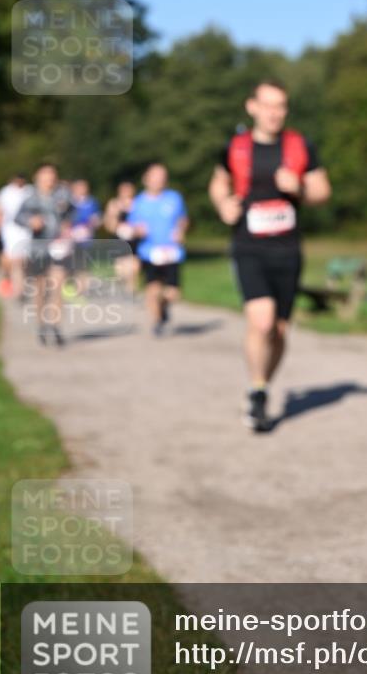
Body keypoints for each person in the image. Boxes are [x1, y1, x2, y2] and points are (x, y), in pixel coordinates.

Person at [209, 79, 331, 430]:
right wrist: (223, 205)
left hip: (288, 248)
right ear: (252, 107)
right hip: (249, 245)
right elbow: (218, 183)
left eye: (280, 106)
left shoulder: (300, 146)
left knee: (278, 331)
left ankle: (258, 386)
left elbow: (323, 190)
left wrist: (302, 187)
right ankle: (260, 392)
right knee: (261, 321)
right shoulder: (234, 147)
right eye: (268, 105)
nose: (274, 112)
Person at [15, 164, 75, 346]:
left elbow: (73, 212)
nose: (49, 179)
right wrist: (31, 221)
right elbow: (18, 217)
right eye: (45, 175)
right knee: (40, 289)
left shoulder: (63, 194)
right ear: (37, 177)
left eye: (52, 175)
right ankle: (42, 325)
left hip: (58, 247)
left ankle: (56, 327)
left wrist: (67, 225)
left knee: (57, 286)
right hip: (38, 249)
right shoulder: (31, 197)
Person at [126, 164, 188, 335]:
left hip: (172, 252)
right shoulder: (139, 202)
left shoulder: (174, 198)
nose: (159, 180)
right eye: (155, 176)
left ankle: (164, 308)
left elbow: (183, 219)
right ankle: (157, 321)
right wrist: (138, 230)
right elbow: (131, 226)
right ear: (146, 179)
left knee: (173, 293)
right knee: (153, 290)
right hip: (149, 252)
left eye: (162, 176)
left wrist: (181, 231)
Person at [0, 172, 31, 300]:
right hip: (10, 229)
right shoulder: (6, 192)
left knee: (23, 260)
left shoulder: (29, 191)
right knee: (14, 259)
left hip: (25, 229)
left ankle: (18, 284)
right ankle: (17, 288)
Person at [103, 180, 141, 295]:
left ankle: (132, 292)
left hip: (134, 241)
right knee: (121, 272)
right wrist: (117, 224)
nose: (126, 192)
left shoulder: (138, 204)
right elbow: (108, 224)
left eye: (129, 190)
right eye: (124, 190)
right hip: (118, 241)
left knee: (134, 268)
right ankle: (125, 286)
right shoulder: (114, 204)